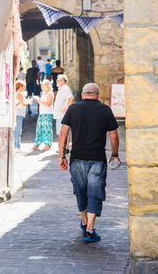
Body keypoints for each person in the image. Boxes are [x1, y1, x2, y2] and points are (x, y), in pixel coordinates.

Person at [58, 83, 121, 242]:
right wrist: (114, 154)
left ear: (83, 95)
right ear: (97, 95)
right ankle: (90, 230)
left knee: (80, 191)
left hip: (77, 159)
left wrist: (62, 156)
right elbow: (113, 136)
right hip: (97, 160)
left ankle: (85, 222)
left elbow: (63, 134)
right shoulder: (105, 109)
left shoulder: (73, 109)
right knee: (95, 193)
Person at [54, 74, 74, 153]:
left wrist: (68, 108)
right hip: (59, 114)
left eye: (59, 80)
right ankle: (64, 148)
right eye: (57, 80)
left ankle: (65, 148)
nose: (57, 82)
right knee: (62, 132)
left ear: (63, 81)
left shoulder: (65, 88)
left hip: (63, 115)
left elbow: (71, 98)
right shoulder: (62, 88)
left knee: (64, 132)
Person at [33, 79, 54, 150]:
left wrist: (38, 100)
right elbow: (41, 103)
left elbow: (48, 104)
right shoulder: (44, 93)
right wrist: (38, 100)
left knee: (47, 129)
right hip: (42, 113)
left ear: (47, 86)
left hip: (47, 113)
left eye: (43, 86)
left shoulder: (50, 93)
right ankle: (37, 144)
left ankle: (48, 145)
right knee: (39, 129)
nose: (42, 87)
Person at [14, 80, 33, 153]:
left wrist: (27, 101)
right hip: (19, 113)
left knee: (16, 130)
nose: (24, 87)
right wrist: (29, 101)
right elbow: (24, 104)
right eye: (24, 86)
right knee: (18, 131)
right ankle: (17, 147)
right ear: (20, 86)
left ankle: (16, 146)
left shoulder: (16, 93)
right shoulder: (20, 94)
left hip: (17, 113)